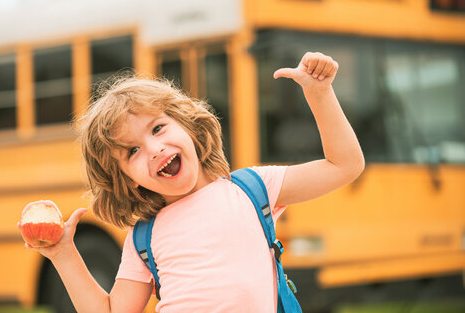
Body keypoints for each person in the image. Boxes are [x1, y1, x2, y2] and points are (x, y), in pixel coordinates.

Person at [25, 52, 365, 312]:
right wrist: (63, 254)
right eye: (132, 151)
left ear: (188, 124)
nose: (155, 149)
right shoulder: (144, 236)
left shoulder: (252, 188)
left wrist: (320, 93)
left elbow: (344, 165)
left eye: (158, 128)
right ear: (125, 180)